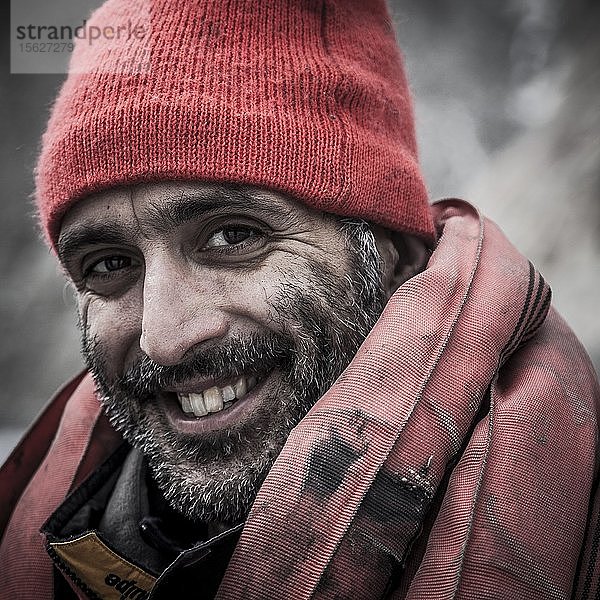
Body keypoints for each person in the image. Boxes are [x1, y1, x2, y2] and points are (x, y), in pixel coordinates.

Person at [1, 1, 599, 598]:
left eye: (233, 236)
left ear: (394, 253)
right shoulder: (57, 526)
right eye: (108, 265)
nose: (164, 337)